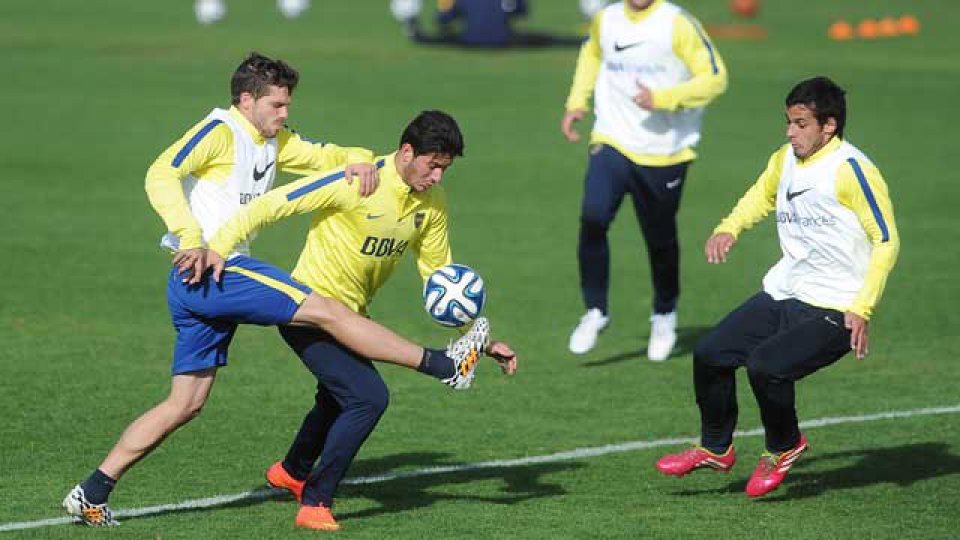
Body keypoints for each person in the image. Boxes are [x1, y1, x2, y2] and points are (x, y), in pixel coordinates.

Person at [62, 54, 490, 527]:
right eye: (277, 104)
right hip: (214, 269)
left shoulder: (273, 142)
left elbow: (324, 155)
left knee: (185, 404)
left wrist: (361, 160)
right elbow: (161, 172)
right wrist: (189, 236)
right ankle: (444, 364)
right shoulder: (221, 131)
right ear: (247, 100)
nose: (285, 114)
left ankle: (92, 490)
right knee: (325, 308)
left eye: (287, 104)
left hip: (206, 283)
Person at [202, 110, 519, 531]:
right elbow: (272, 205)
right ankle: (315, 501)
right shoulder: (357, 181)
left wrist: (480, 338)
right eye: (433, 165)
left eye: (445, 168)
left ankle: (292, 471)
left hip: (354, 317)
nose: (438, 176)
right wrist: (218, 248)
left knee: (335, 396)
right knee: (367, 397)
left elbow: (440, 277)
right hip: (306, 310)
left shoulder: (431, 204)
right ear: (407, 151)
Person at [655, 77, 899, 497]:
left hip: (835, 306)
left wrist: (863, 308)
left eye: (801, 124)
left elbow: (887, 240)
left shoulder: (851, 170)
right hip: (786, 291)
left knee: (767, 366)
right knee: (712, 354)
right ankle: (715, 447)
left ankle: (784, 446)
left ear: (829, 126)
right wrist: (729, 227)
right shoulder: (785, 158)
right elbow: (762, 195)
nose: (790, 132)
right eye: (788, 122)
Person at [562, 0, 728, 360]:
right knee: (593, 218)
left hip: (665, 151)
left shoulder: (677, 23)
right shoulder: (606, 19)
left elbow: (716, 79)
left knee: (659, 239)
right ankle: (595, 310)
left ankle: (664, 314)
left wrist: (664, 99)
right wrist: (577, 101)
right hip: (612, 139)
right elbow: (591, 54)